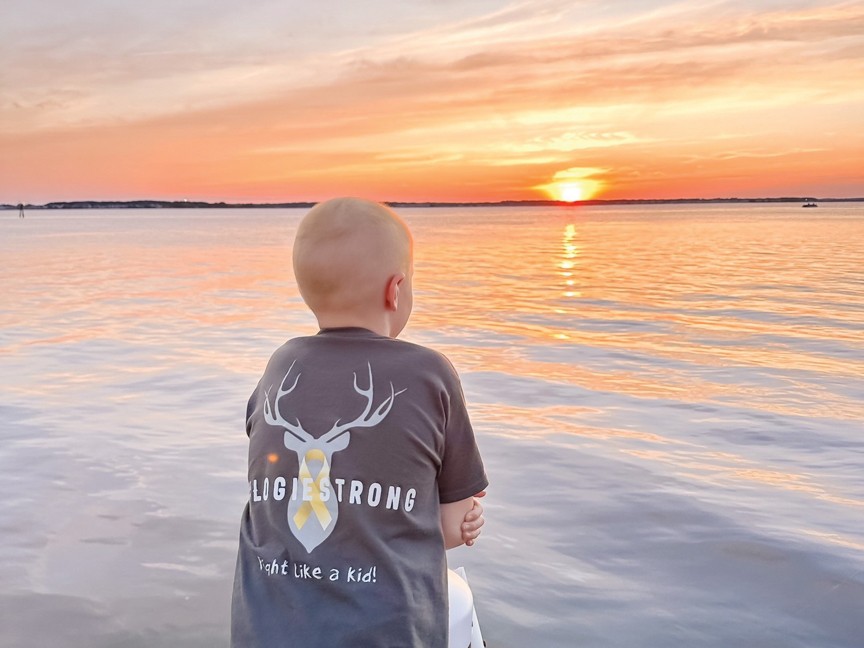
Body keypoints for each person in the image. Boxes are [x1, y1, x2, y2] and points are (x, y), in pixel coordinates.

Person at [231, 197, 488, 647]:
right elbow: (447, 530)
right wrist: (466, 519)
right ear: (396, 289)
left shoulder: (278, 368)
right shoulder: (429, 374)